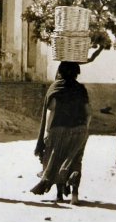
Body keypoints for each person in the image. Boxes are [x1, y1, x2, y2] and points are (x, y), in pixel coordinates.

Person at [31, 61, 91, 205]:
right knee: (75, 160)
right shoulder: (81, 89)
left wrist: (47, 131)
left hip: (59, 130)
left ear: (60, 71)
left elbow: (52, 110)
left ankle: (59, 196)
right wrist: (84, 129)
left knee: (57, 159)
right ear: (77, 72)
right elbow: (89, 113)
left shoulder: (56, 87)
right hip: (79, 130)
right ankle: (75, 194)